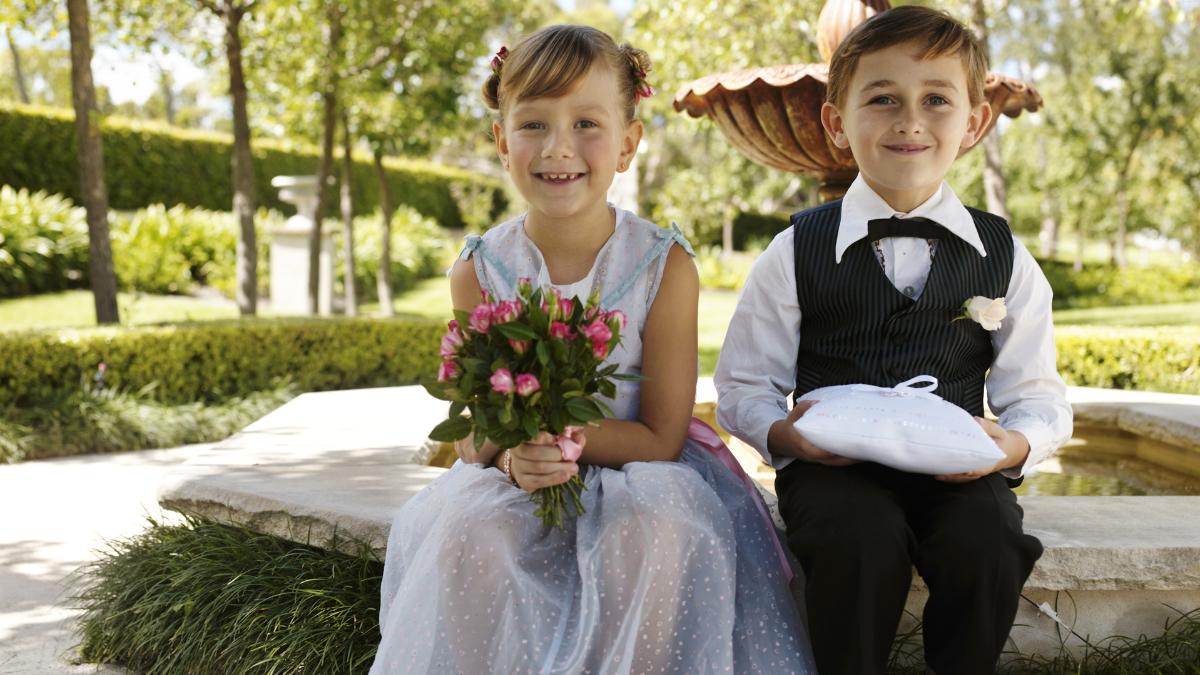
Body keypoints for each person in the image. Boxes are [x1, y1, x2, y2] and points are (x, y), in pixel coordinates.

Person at [370, 24, 815, 675]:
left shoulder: (663, 265)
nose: (558, 147)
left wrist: (560, 434)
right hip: (521, 478)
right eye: (533, 124)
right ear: (502, 141)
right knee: (469, 531)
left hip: (644, 471)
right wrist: (513, 455)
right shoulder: (480, 269)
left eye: (586, 123)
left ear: (628, 143)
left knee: (657, 526)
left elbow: (662, 436)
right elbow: (475, 432)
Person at [714, 6, 1073, 675]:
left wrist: (1015, 444)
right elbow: (743, 383)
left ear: (974, 123)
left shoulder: (1003, 254)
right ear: (836, 123)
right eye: (882, 99)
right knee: (857, 539)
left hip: (955, 466)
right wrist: (785, 436)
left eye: (936, 100)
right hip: (833, 471)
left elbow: (1038, 394)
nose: (910, 121)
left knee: (990, 540)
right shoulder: (796, 249)